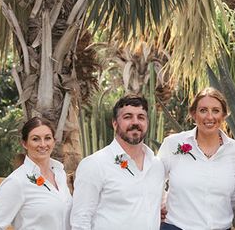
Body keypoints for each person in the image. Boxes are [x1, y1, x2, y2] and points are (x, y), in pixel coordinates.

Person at [71, 95, 165, 230]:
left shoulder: (156, 165)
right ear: (115, 124)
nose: (135, 122)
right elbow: (81, 219)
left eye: (141, 117)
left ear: (147, 123)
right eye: (128, 117)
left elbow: (159, 206)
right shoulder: (94, 165)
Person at [158, 87, 235, 230]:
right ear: (193, 114)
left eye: (216, 111)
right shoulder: (173, 144)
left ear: (223, 115)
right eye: (203, 110)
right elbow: (155, 179)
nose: (209, 117)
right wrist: (159, 205)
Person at [0, 116, 72, 230]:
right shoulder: (16, 182)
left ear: (54, 141)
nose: (43, 144)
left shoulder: (60, 174)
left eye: (48, 138)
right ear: (24, 143)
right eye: (35, 139)